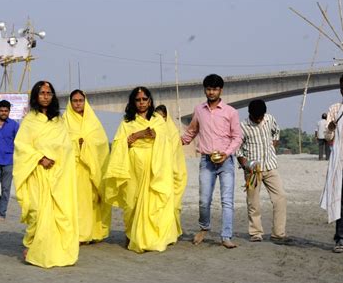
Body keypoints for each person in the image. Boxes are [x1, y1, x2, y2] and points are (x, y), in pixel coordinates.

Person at [13, 81, 79, 268]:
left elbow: (67, 147)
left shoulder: (59, 121)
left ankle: (53, 251)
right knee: (37, 211)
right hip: (37, 173)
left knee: (58, 214)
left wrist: (57, 160)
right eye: (41, 93)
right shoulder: (29, 121)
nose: (45, 96)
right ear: (35, 96)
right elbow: (22, 146)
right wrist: (40, 158)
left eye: (49, 93)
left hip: (58, 175)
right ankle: (31, 244)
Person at [104, 86, 178, 253]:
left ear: (150, 101)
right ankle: (131, 233)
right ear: (133, 102)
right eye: (138, 100)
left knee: (152, 203)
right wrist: (137, 136)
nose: (142, 102)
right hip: (132, 167)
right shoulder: (127, 122)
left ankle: (151, 238)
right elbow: (119, 143)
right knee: (131, 202)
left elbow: (166, 141)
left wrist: (152, 135)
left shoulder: (157, 120)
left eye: (145, 99)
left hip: (154, 168)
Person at [181, 74, 242, 249]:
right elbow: (191, 132)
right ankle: (204, 228)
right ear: (205, 90)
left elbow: (237, 137)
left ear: (220, 90)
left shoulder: (231, 112)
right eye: (208, 89)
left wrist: (227, 153)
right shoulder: (199, 110)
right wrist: (174, 141)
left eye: (214, 89)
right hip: (206, 161)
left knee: (227, 200)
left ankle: (226, 236)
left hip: (226, 161)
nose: (211, 92)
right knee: (204, 200)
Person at [237, 100, 291, 244]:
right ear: (250, 115)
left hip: (271, 165)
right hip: (253, 169)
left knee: (281, 197)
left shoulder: (269, 119)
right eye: (256, 118)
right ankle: (255, 233)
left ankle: (278, 234)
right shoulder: (242, 126)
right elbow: (238, 150)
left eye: (261, 116)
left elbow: (276, 132)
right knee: (253, 201)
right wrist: (246, 165)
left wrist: (272, 146)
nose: (259, 120)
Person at [63, 89, 111, 243]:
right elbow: (59, 143)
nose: (78, 104)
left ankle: (94, 233)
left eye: (80, 100)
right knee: (77, 202)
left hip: (92, 168)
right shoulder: (64, 120)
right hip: (73, 168)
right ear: (70, 103)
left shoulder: (93, 121)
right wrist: (77, 144)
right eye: (75, 101)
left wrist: (87, 144)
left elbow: (102, 142)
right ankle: (80, 235)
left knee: (93, 201)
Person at [320, 74, 343, 253]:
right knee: (341, 202)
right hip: (341, 163)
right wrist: (330, 129)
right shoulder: (335, 109)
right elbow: (329, 137)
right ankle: (341, 239)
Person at [154, 105, 188, 236]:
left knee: (173, 206)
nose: (159, 120)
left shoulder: (173, 133)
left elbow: (175, 156)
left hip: (173, 175)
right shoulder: (153, 132)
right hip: (157, 175)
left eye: (161, 117)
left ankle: (173, 231)